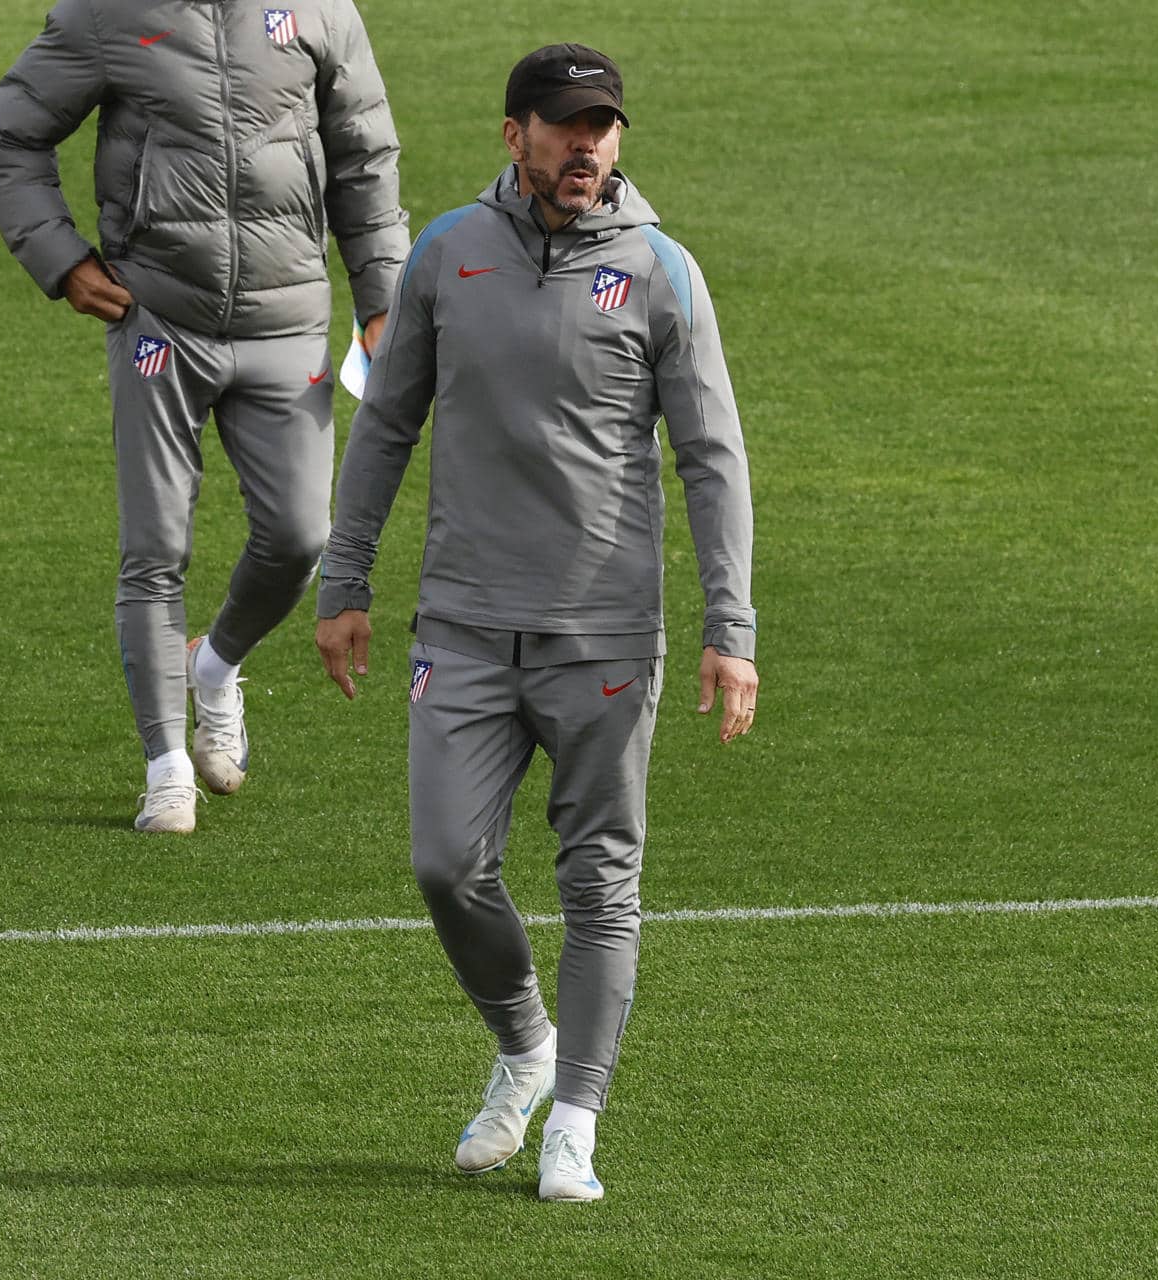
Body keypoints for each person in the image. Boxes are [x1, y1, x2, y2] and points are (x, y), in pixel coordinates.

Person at [313, 42, 758, 1202]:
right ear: (514, 136)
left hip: (605, 638)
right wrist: (342, 581)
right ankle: (526, 1046)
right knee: (445, 864)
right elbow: (384, 426)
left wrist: (732, 624)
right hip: (461, 626)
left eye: (603, 128)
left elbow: (712, 457)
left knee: (602, 880)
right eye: (565, 128)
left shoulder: (662, 271)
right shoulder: (447, 257)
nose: (587, 148)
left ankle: (576, 1120)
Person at [0, 0, 409, 833]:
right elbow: (11, 134)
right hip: (159, 319)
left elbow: (364, 153)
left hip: (288, 320)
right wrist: (60, 259)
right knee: (156, 548)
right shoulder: (109, 12)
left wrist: (382, 294)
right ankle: (165, 766)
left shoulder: (321, 9)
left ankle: (213, 669)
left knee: (299, 537)